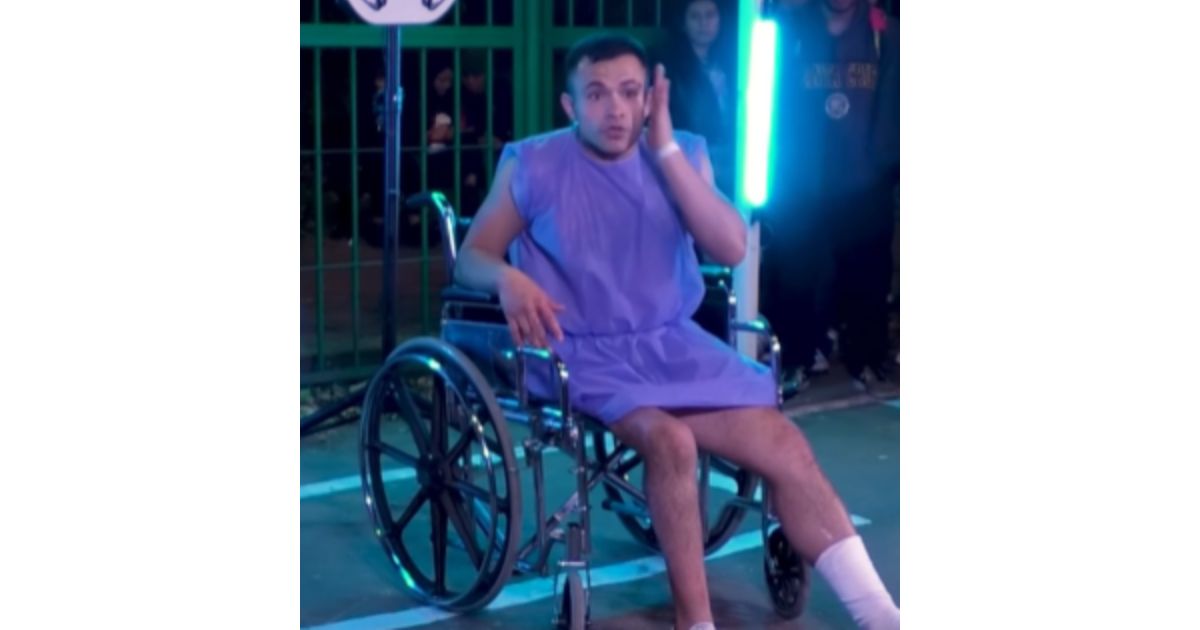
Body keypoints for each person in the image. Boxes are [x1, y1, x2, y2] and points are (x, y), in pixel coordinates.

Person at [454, 33, 899, 630]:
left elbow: (731, 246)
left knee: (787, 446)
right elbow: (472, 256)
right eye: (596, 94)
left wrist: (663, 151)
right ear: (569, 105)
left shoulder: (683, 152)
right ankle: (697, 622)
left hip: (670, 343)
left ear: (649, 99)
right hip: (579, 348)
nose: (615, 109)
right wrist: (508, 278)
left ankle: (882, 616)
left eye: (629, 92)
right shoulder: (533, 162)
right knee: (671, 442)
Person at [763, 0, 900, 392]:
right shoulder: (789, 29)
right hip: (803, 179)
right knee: (796, 277)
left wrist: (887, 163)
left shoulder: (885, 33)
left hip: (864, 179)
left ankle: (867, 357)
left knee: (868, 275)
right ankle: (796, 360)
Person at [657, 0, 737, 197]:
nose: (703, 23)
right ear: (683, 22)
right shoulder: (670, 65)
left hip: (732, 152)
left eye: (710, 15)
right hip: (693, 155)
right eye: (695, 16)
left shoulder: (734, 59)